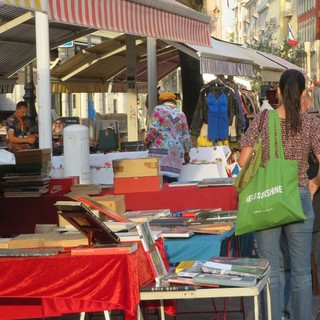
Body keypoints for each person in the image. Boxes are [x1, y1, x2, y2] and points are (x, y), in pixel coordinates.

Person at [238, 69, 320, 320]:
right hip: (300, 196)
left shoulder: (264, 118)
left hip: (268, 198)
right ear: (304, 92)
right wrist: (313, 183)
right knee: (302, 270)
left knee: (271, 269)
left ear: (280, 92)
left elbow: (242, 161)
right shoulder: (312, 122)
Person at [144, 92, 191, 183]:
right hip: (176, 152)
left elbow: (154, 128)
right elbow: (186, 135)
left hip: (161, 151)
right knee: (173, 181)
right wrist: (187, 152)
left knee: (161, 181)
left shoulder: (158, 109)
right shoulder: (181, 114)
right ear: (174, 101)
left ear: (161, 100)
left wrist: (147, 141)